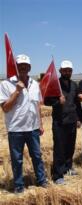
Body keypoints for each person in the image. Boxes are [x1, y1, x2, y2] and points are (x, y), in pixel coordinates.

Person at [0, 54, 47, 193]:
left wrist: (40, 123)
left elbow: (37, 105)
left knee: (37, 156)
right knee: (17, 159)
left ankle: (42, 181)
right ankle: (19, 186)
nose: (23, 68)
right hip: (16, 129)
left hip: (32, 128)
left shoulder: (35, 84)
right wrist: (17, 91)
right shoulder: (6, 84)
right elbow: (5, 108)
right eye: (20, 66)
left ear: (30, 67)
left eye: (25, 66)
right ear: (16, 67)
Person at [44, 60, 81, 184]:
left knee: (70, 147)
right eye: (65, 70)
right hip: (59, 122)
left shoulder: (74, 85)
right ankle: (58, 175)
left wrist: (78, 118)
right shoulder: (55, 85)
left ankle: (67, 168)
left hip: (71, 120)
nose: (67, 72)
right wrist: (57, 102)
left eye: (69, 70)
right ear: (60, 71)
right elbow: (46, 101)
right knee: (59, 149)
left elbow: (77, 103)